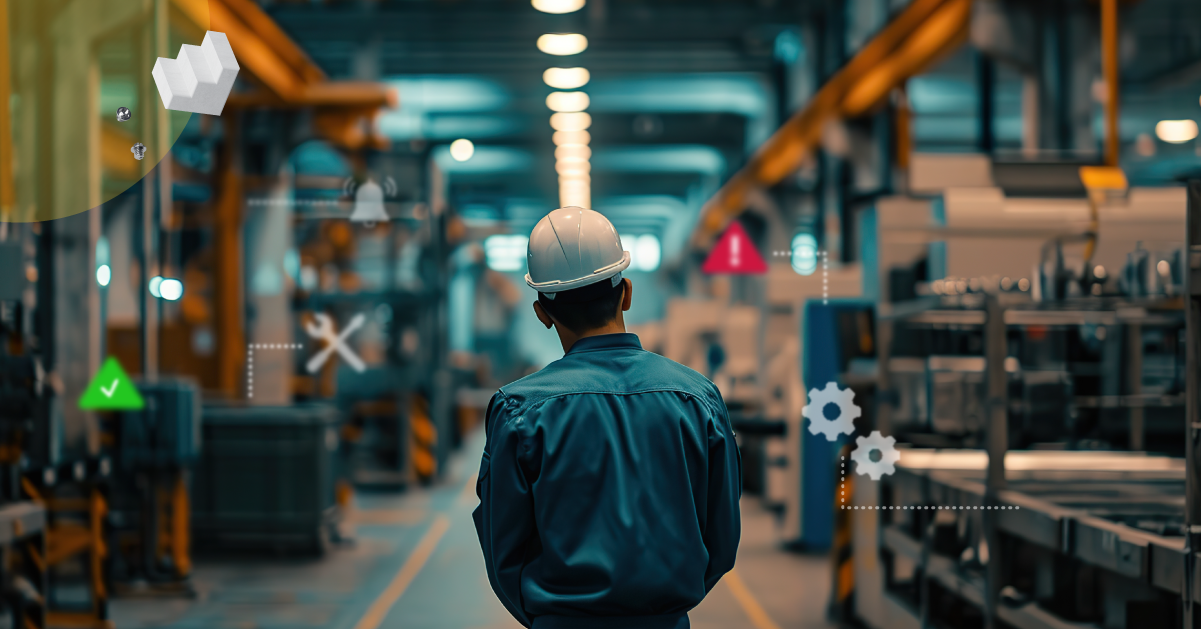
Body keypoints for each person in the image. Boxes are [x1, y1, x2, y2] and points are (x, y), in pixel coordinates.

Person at [473, 207, 742, 629]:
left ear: (542, 312)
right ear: (626, 292)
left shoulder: (517, 410)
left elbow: (503, 551)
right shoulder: (698, 399)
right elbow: (721, 539)